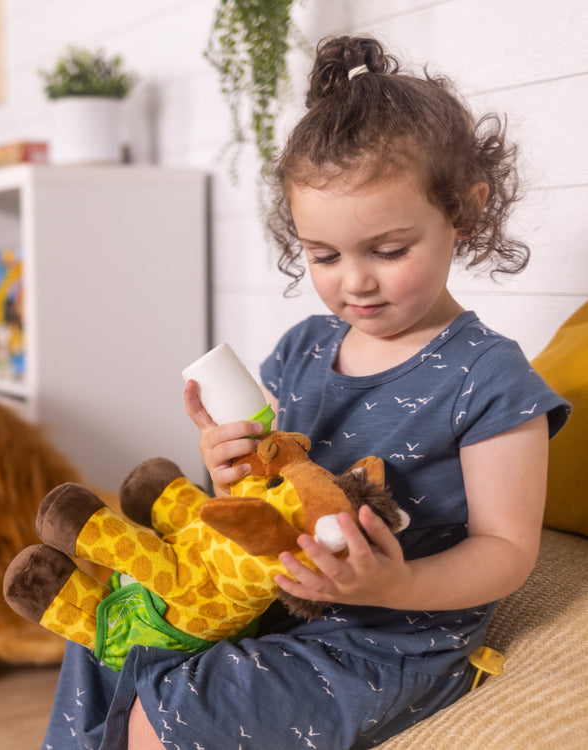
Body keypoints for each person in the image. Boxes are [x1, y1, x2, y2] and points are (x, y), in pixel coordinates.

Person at [41, 35, 570, 750]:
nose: (354, 280)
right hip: (265, 601)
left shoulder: (489, 377)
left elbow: (507, 548)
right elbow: (270, 485)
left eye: (388, 250)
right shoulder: (302, 351)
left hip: (382, 640)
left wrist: (393, 587)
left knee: (171, 714)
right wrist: (226, 465)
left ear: (464, 212)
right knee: (117, 624)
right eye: (323, 255)